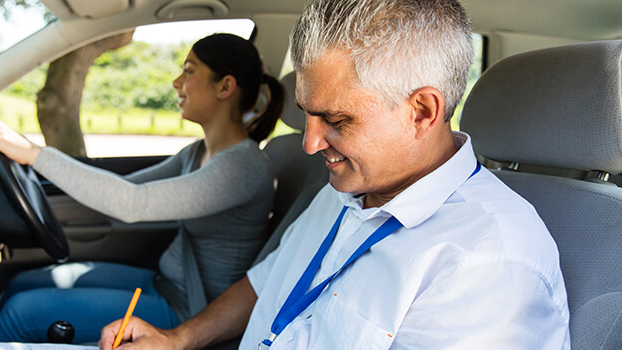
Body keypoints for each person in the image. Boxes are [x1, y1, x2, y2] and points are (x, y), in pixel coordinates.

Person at [98, 0, 571, 349]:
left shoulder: (488, 264)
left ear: (422, 112)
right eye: (307, 115)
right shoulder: (350, 187)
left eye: (337, 121)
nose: (310, 143)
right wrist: (177, 339)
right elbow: (268, 281)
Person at [0, 33, 285, 343]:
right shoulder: (196, 152)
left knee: (21, 313)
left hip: (192, 311)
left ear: (225, 87)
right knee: (21, 284)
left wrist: (32, 153)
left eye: (189, 71)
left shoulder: (243, 166)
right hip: (161, 283)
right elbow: (123, 189)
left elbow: (133, 204)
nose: (177, 82)